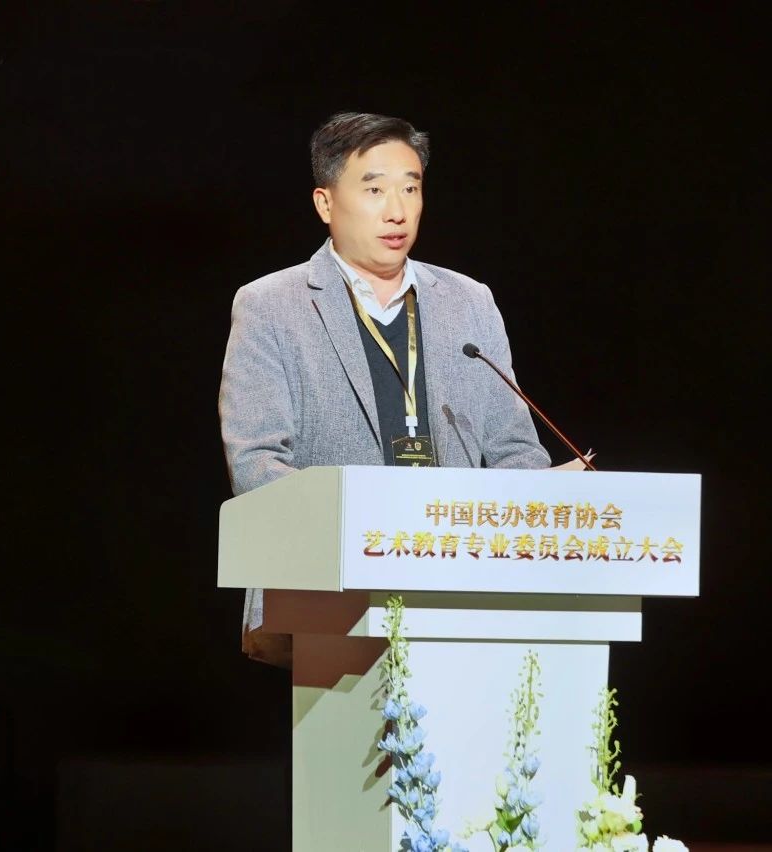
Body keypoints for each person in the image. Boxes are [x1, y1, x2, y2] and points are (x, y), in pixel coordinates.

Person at [218, 112, 551, 666]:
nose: (397, 210)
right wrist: (369, 526)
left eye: (410, 188)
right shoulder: (270, 306)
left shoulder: (470, 301)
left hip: (464, 585)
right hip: (327, 591)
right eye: (374, 190)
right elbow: (256, 464)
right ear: (325, 203)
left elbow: (517, 451)